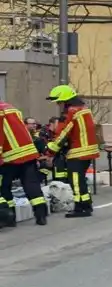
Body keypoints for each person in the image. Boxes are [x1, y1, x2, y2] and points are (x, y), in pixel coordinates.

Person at [46, 84, 100, 219]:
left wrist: (50, 151)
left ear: (65, 100)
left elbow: (64, 133)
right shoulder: (84, 109)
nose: (58, 104)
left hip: (78, 151)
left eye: (59, 102)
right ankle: (86, 204)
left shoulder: (71, 111)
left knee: (75, 180)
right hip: (88, 150)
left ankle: (80, 208)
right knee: (80, 180)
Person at [0, 101, 49, 226]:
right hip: (28, 153)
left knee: (4, 187)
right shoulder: (11, 108)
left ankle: (10, 218)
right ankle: (41, 215)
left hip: (10, 156)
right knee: (31, 184)